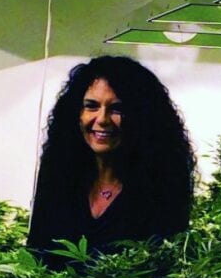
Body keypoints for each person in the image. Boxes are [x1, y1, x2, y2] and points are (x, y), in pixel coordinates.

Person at [26, 55, 196, 261]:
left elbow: (162, 264)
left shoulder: (164, 183)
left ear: (142, 117)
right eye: (91, 106)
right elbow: (36, 252)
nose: (102, 119)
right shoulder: (58, 174)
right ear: (76, 113)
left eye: (117, 109)